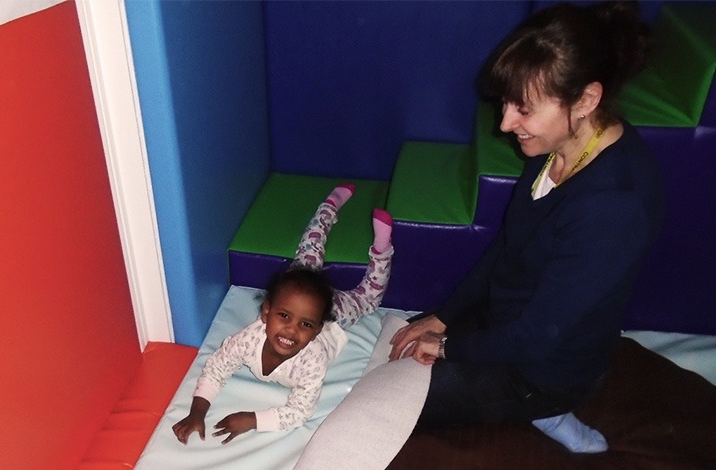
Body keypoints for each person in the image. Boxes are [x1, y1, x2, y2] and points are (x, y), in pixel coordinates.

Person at [388, 1, 663, 454]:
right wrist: (444, 316)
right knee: (402, 347)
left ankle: (546, 408)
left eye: (524, 109)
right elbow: (508, 246)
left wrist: (449, 348)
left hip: (543, 369)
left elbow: (538, 337)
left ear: (586, 99)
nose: (504, 123)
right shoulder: (562, 144)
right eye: (505, 103)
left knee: (401, 398)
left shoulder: (616, 206)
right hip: (511, 323)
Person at [173, 184, 395, 444]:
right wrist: (197, 412)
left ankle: (382, 250)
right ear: (266, 313)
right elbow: (217, 368)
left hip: (330, 308)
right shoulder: (249, 339)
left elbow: (300, 411)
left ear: (316, 331)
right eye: (284, 317)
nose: (292, 329)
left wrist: (252, 419)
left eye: (305, 325)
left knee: (369, 299)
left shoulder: (311, 362)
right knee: (309, 250)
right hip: (301, 289)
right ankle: (329, 207)